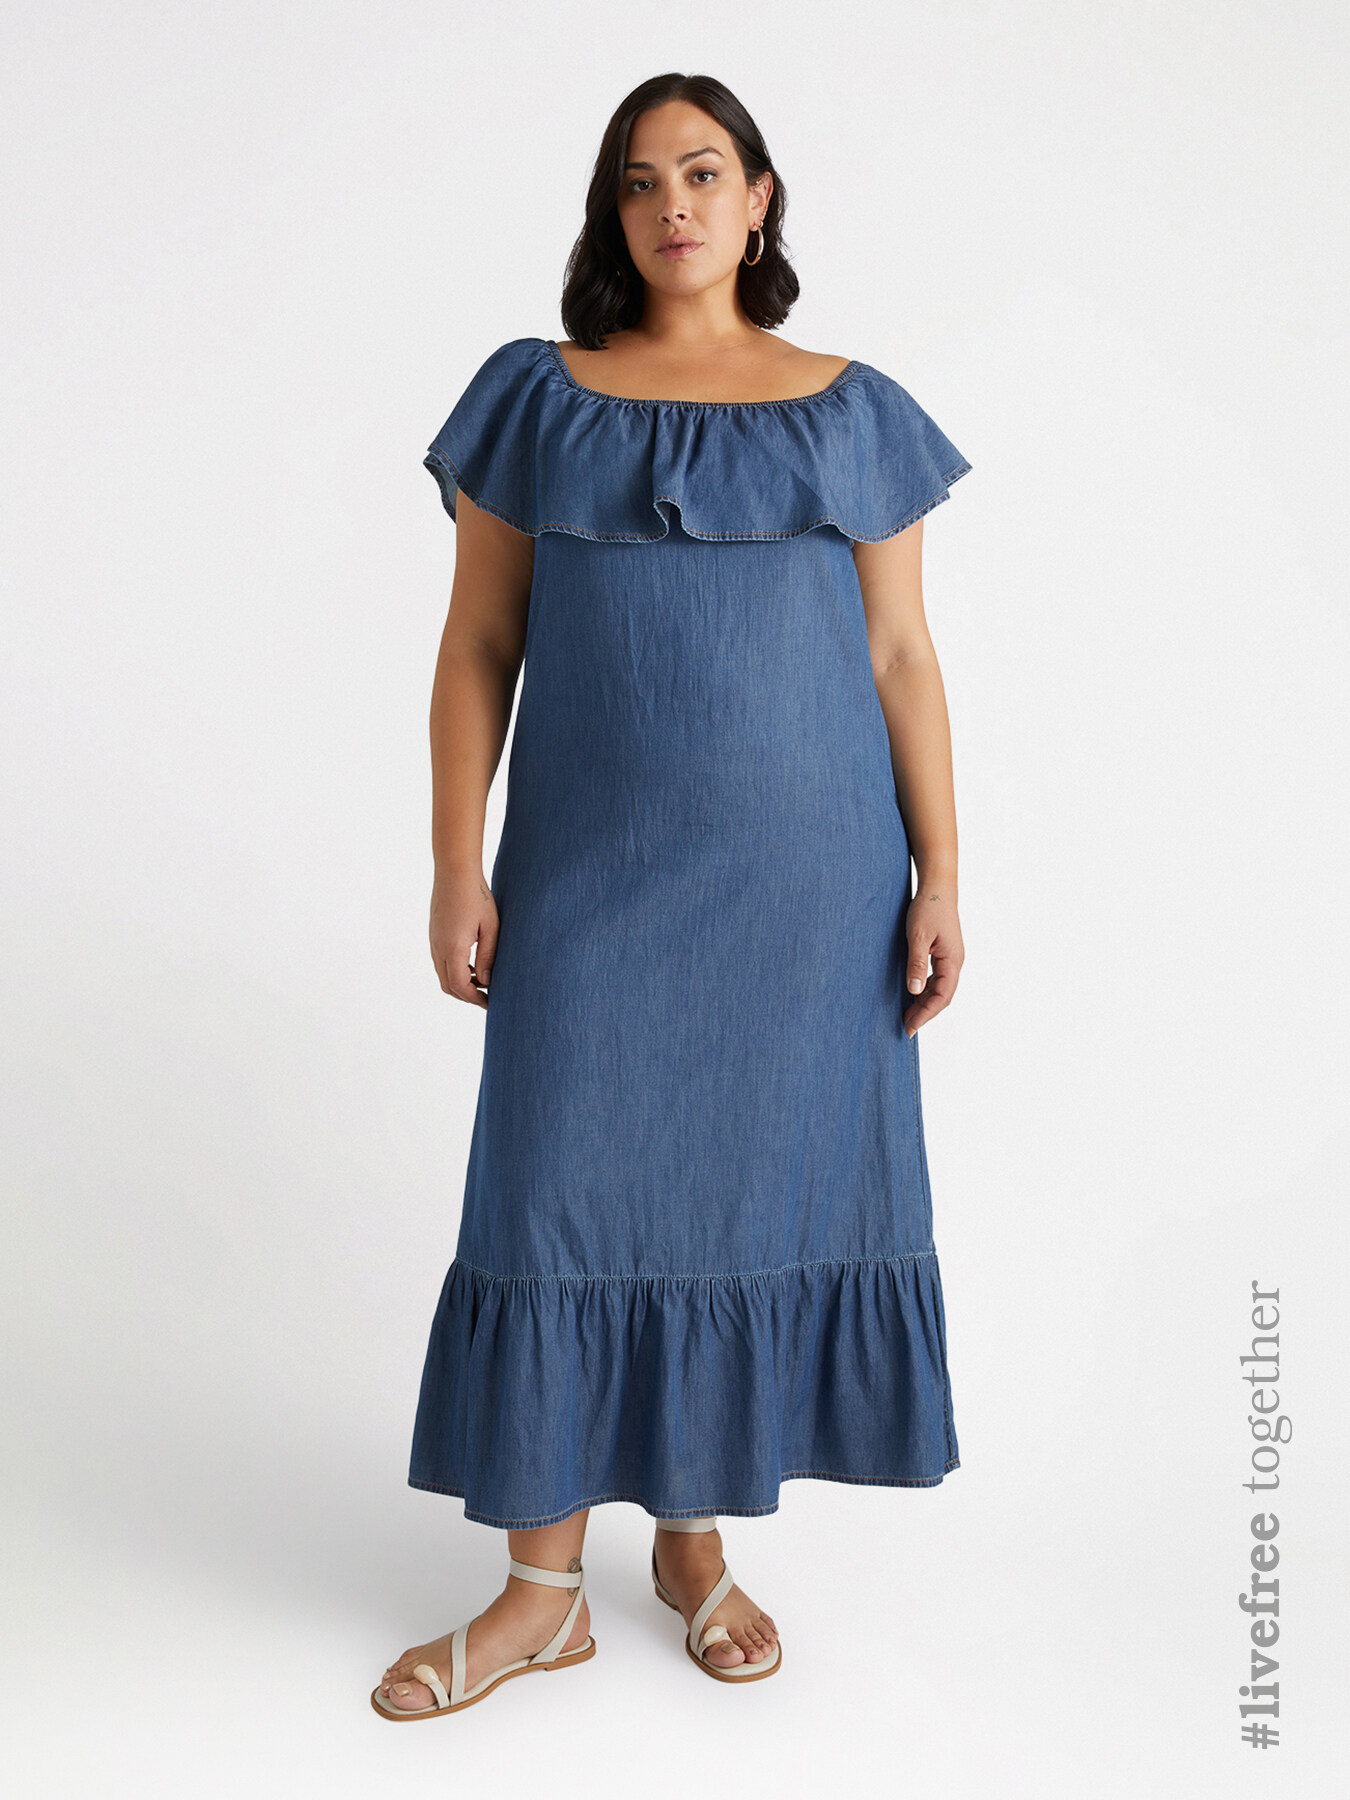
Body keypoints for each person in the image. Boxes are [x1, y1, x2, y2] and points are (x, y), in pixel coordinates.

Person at [374, 70, 971, 1719]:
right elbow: (477, 645)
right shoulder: (538, 396)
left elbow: (901, 656)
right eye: (640, 182)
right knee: (556, 1193)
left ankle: (693, 1549)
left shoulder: (851, 409)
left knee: (745, 1200)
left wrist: (940, 873)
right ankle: (539, 1594)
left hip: (807, 893)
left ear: (759, 198)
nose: (673, 207)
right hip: (591, 880)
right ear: (611, 213)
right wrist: (455, 859)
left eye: (703, 174)